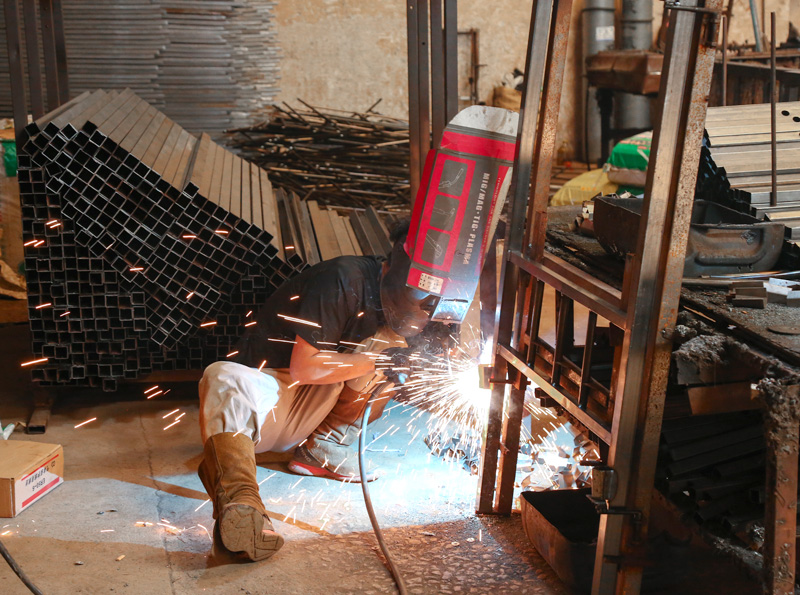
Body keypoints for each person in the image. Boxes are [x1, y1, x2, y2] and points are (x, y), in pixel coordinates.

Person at [196, 221, 435, 562]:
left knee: (398, 350)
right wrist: (377, 360)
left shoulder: (419, 310)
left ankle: (325, 447)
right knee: (221, 377)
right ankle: (241, 503)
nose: (425, 310)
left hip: (318, 405)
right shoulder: (344, 279)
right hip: (269, 401)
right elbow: (303, 368)